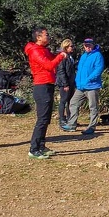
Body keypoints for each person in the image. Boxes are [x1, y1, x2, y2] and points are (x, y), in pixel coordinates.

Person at [25, 28, 67, 159]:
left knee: (46, 118)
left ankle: (41, 146)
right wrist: (60, 56)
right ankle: (33, 149)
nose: (48, 37)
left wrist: (59, 54)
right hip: (41, 86)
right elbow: (49, 66)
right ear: (38, 37)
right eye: (46, 35)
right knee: (42, 119)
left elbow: (52, 62)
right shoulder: (35, 51)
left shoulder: (44, 50)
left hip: (48, 84)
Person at [64, 38, 105, 135]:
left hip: (92, 86)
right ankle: (71, 125)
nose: (87, 47)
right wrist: (78, 81)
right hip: (81, 86)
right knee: (73, 103)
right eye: (86, 45)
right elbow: (79, 70)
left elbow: (98, 70)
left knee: (93, 107)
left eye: (89, 45)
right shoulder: (83, 56)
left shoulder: (98, 55)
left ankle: (91, 126)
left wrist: (88, 80)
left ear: (93, 45)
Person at [55, 39, 76, 131]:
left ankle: (69, 119)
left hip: (71, 82)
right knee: (63, 101)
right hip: (65, 83)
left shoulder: (70, 57)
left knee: (70, 101)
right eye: (71, 46)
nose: (73, 48)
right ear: (66, 47)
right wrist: (65, 84)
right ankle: (62, 120)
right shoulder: (62, 57)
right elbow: (61, 71)